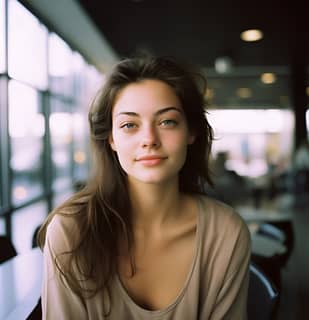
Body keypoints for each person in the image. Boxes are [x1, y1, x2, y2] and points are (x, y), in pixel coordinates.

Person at [38, 56, 251, 319]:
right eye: (129, 125)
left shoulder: (225, 233)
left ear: (191, 132)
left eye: (167, 121)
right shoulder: (71, 232)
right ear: (111, 139)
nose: (149, 139)